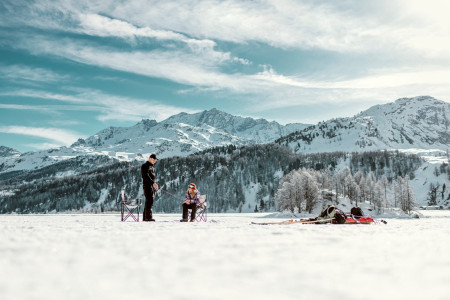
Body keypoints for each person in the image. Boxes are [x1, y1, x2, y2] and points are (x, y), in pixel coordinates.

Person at [141, 154, 159, 221]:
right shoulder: (144, 166)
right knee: (149, 201)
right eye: (154, 159)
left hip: (151, 187)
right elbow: (146, 176)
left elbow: (152, 177)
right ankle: (148, 217)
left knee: (148, 201)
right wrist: (153, 183)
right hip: (147, 186)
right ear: (150, 158)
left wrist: (154, 187)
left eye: (155, 160)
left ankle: (145, 217)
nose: (155, 161)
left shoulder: (152, 167)